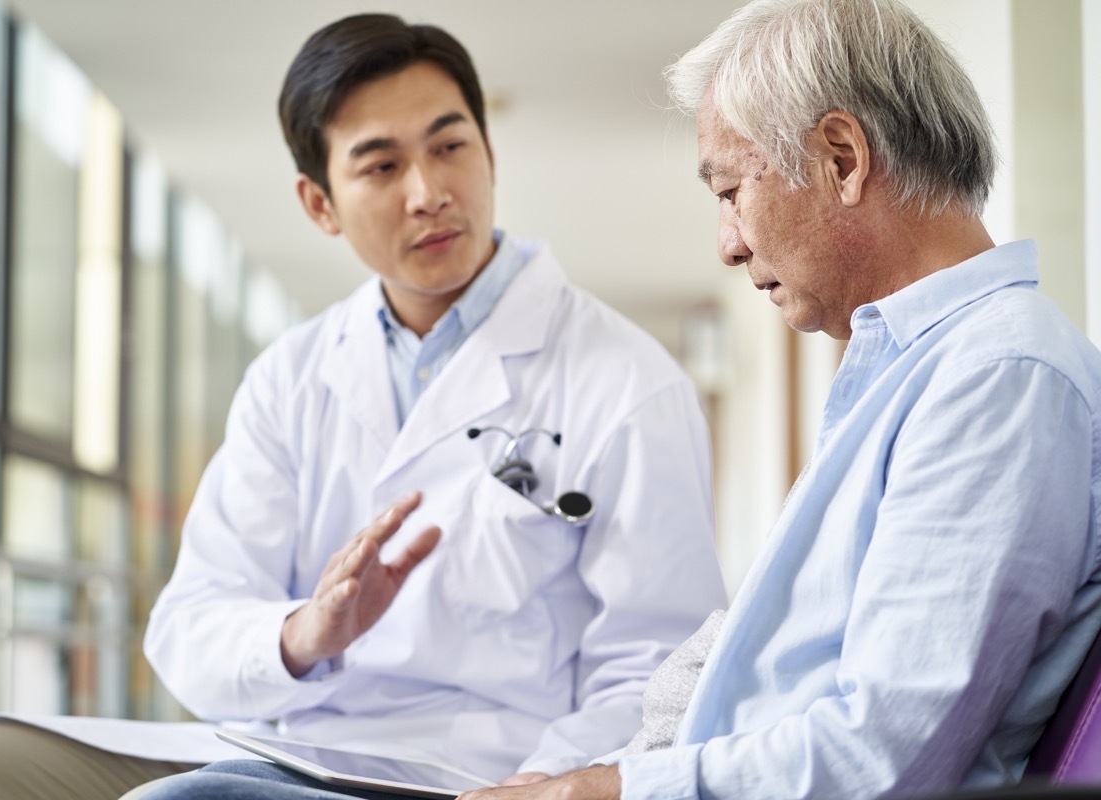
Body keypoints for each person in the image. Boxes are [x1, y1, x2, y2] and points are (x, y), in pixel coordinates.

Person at [0, 13, 728, 800]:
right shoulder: (291, 377)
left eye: (450, 146)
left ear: (489, 154)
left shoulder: (625, 380)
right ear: (318, 204)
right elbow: (189, 626)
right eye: (380, 166)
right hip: (290, 747)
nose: (428, 190)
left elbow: (658, 665)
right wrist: (304, 634)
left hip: (486, 768)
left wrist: (541, 785)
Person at [438, 0, 1101, 798]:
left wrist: (596, 791)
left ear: (842, 158)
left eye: (728, 191)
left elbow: (880, 757)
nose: (727, 244)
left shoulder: (1000, 378)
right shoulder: (912, 374)